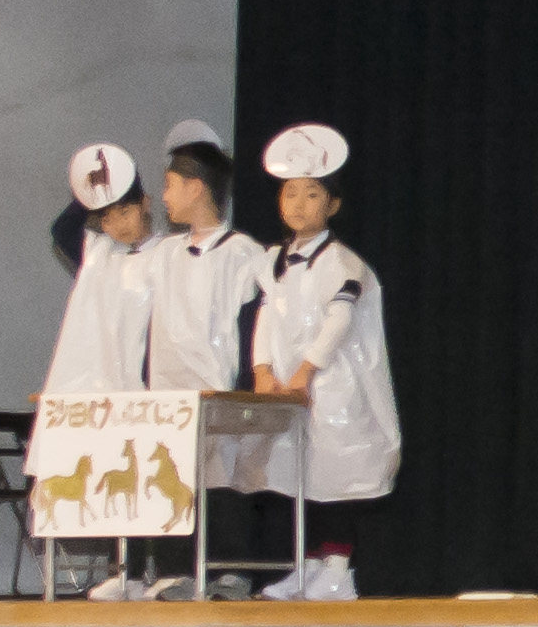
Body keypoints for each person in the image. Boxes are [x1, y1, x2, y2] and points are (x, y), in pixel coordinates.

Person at [247, 122, 398, 600]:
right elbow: (267, 317)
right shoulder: (273, 261)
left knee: (336, 477)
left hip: (334, 390)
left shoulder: (342, 263)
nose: (298, 203)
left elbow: (338, 320)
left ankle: (338, 570)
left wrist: (304, 373)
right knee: (301, 478)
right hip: (290, 390)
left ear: (332, 205)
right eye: (290, 192)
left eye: (312, 194)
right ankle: (308, 567)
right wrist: (263, 371)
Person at [139, 125, 276, 598]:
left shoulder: (243, 253)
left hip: (218, 387)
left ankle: (233, 570)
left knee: (224, 477)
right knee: (172, 477)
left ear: (196, 187)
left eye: (170, 184)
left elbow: (265, 315)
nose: (163, 197)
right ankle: (174, 570)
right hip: (168, 392)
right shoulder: (162, 253)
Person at [43, 143, 154, 599]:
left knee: (144, 478)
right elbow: (62, 229)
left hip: (145, 381)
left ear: (146, 205)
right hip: (101, 383)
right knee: (111, 479)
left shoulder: (166, 254)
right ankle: (123, 570)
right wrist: (96, 186)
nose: (117, 225)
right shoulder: (96, 253)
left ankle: (153, 569)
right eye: (106, 217)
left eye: (124, 211)